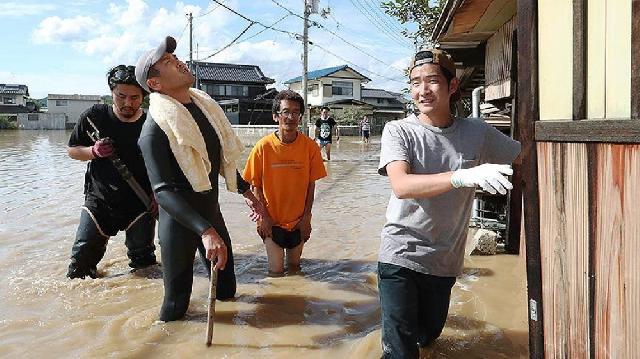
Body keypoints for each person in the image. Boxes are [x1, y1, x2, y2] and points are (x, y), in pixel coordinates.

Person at [377, 49, 521, 358]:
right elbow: (401, 186)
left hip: (445, 260)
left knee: (428, 338)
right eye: (415, 83)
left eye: (432, 81)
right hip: (399, 253)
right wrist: (462, 177)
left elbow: (524, 159)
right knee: (399, 352)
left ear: (452, 86)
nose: (422, 90)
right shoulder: (399, 130)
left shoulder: (477, 132)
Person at [135, 36, 265, 322]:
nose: (179, 62)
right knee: (176, 305)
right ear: (154, 84)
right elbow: (163, 192)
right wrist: (206, 232)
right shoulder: (153, 131)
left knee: (227, 290)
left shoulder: (204, 110)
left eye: (175, 57)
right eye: (167, 62)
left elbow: (217, 162)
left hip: (210, 213)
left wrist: (247, 192)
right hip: (180, 223)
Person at [66, 64, 157, 279]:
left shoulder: (153, 122)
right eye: (121, 96)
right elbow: (72, 150)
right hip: (100, 200)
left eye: (135, 97)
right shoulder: (94, 116)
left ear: (143, 96)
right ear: (111, 93)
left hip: (141, 203)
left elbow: (165, 164)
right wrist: (93, 151)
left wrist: (158, 195)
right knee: (79, 267)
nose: (128, 103)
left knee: (145, 268)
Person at [243, 90, 327, 275]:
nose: (290, 117)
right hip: (271, 222)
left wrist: (306, 219)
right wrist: (264, 218)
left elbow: (311, 186)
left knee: (296, 269)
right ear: (276, 116)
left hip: (298, 222)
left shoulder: (310, 147)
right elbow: (254, 186)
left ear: (300, 116)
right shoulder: (263, 147)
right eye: (286, 112)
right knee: (276, 271)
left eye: (296, 112)